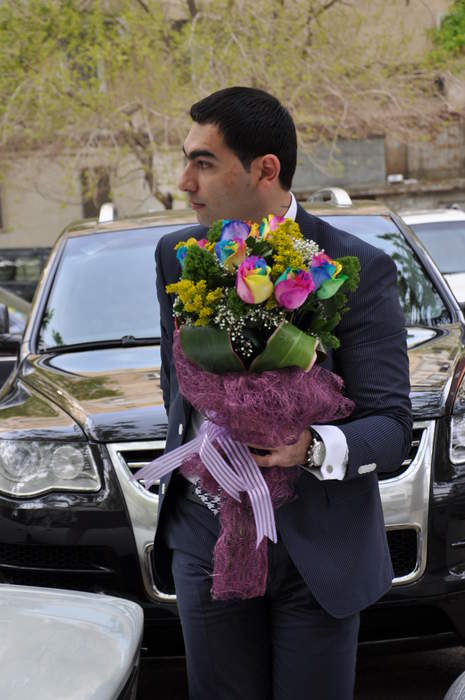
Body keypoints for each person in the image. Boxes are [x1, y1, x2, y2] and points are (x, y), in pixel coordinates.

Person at [153, 86, 412, 700]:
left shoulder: (354, 266)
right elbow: (179, 389)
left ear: (265, 169)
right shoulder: (174, 257)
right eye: (186, 159)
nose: (184, 181)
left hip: (318, 549)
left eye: (204, 162)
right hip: (205, 534)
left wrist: (312, 446)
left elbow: (392, 429)